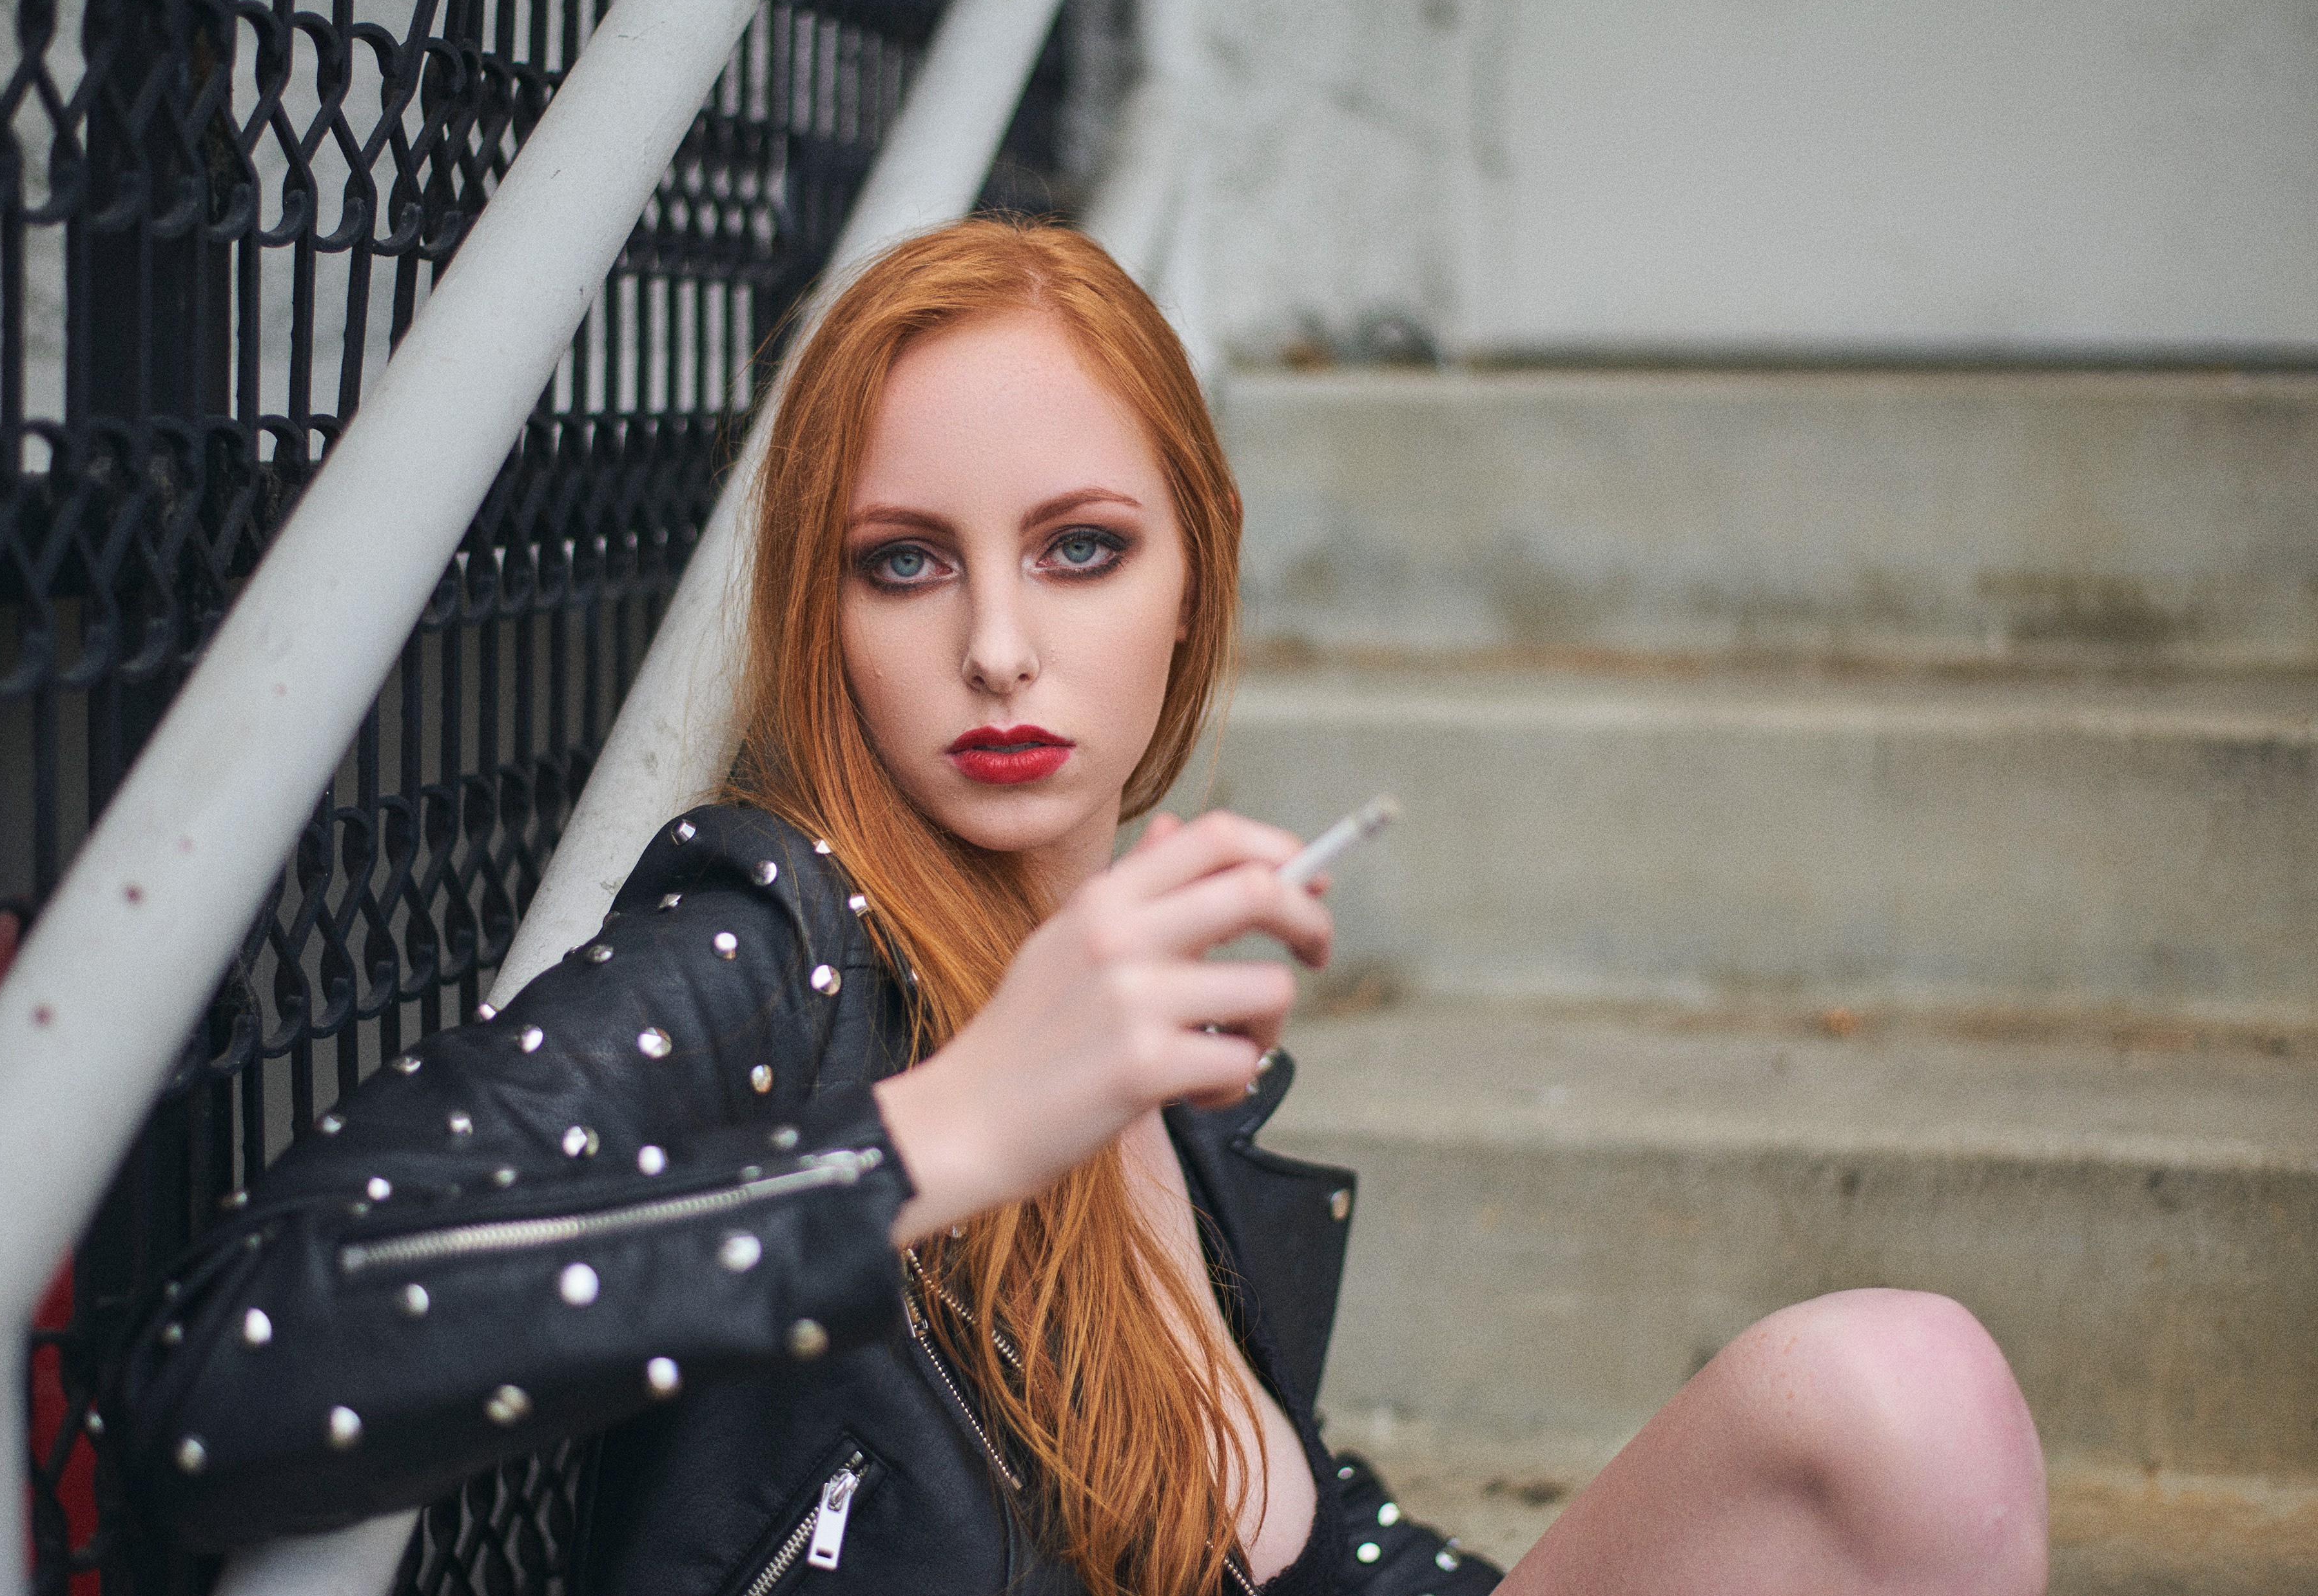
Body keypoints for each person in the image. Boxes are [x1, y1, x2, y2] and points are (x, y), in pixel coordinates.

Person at [113, 219, 2048, 1596]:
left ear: (1194, 582)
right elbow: (223, 1368)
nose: (998, 647)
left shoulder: (1151, 1050)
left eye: (1082, 548)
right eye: (902, 563)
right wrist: (930, 1142)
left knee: (1897, 1392)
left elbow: (1287, 1547)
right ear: (819, 613)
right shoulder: (767, 946)